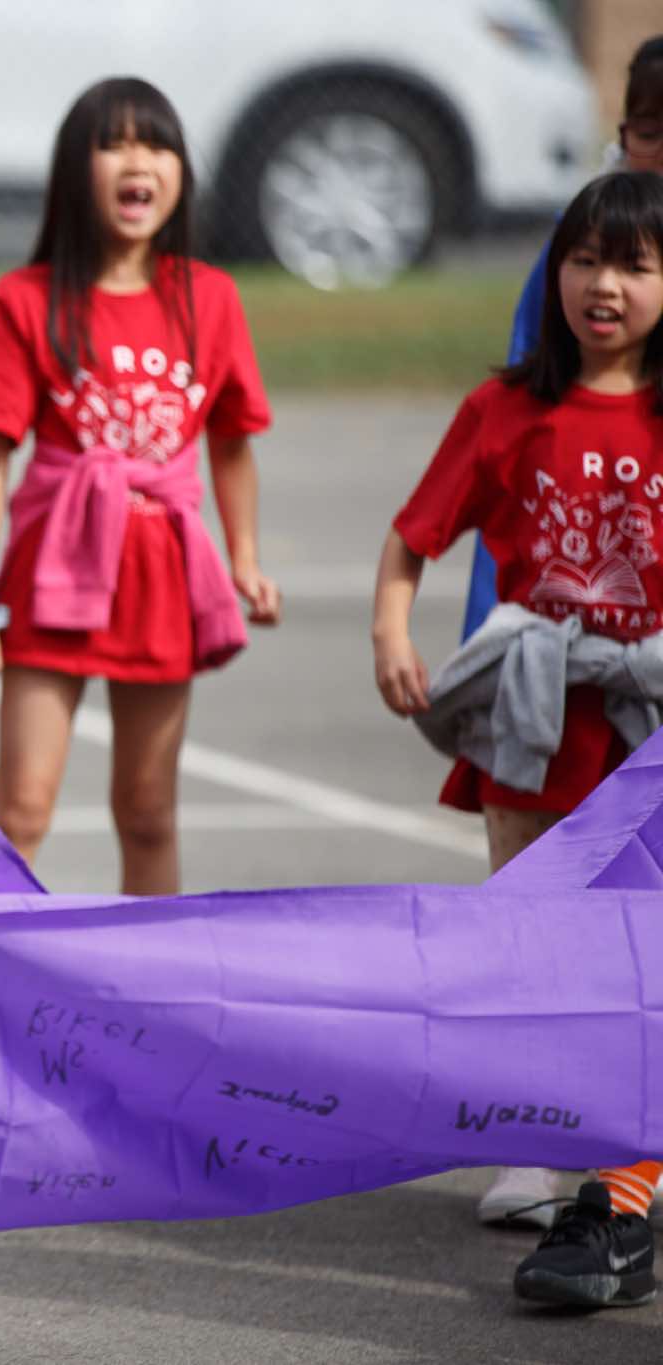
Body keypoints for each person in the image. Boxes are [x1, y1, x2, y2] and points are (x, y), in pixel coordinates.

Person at [375, 170, 663, 1314]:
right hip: (533, 716)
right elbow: (411, 538)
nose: (602, 285)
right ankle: (543, 1148)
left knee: (639, 956)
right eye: (582, 260)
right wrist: (390, 633)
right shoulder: (502, 408)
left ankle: (623, 1177)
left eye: (632, 266)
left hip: (646, 720)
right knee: (531, 940)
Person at [0, 77, 279, 897]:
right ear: (75, 170)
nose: (139, 163)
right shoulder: (24, 299)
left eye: (157, 145)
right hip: (55, 569)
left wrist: (243, 558)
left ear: (181, 172)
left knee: (148, 810)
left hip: (164, 575)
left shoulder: (212, 297)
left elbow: (232, 442)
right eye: (115, 145)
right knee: (22, 807)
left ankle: (149, 972)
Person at [467, 32, 663, 1236]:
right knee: (536, 900)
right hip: (553, 664)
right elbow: (505, 459)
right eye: (652, 130)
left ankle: (626, 1157)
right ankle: (536, 1139)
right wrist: (486, 648)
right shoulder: (580, 255)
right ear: (621, 132)